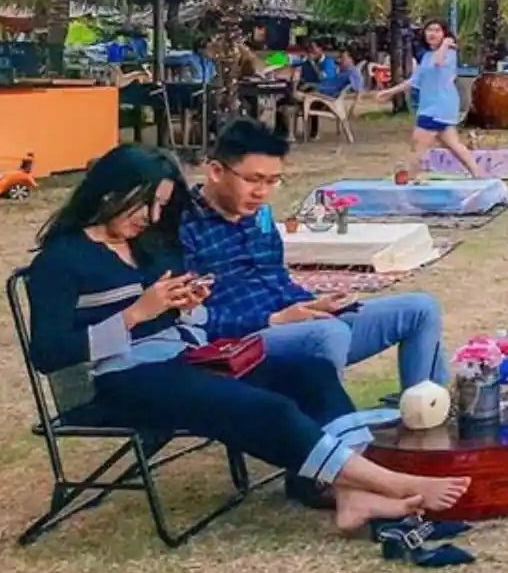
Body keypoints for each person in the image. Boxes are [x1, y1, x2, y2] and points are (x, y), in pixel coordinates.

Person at [23, 144, 468, 532]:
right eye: (145, 205)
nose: (152, 217)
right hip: (116, 380)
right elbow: (48, 354)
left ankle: (351, 496)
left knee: (308, 372)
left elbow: (183, 319)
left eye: (160, 206)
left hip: (184, 359)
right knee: (262, 407)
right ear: (109, 192)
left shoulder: (149, 246)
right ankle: (390, 483)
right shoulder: (62, 261)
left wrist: (189, 305)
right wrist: (135, 315)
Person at [182, 119, 449, 393]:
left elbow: (277, 280)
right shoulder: (182, 228)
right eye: (253, 180)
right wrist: (272, 320)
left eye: (273, 181)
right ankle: (330, 429)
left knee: (421, 308)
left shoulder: (258, 216)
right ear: (215, 171)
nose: (262, 192)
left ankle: (425, 413)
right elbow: (190, 318)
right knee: (329, 334)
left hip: (295, 327)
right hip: (241, 343)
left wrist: (314, 304)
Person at [368, 19, 484, 179]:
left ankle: (408, 178)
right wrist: (389, 92)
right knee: (453, 145)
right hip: (432, 107)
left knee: (418, 145)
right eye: (429, 30)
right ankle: (478, 174)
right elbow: (415, 81)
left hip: (438, 107)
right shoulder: (426, 56)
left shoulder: (449, 53)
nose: (432, 33)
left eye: (437, 30)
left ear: (444, 34)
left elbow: (438, 62)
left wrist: (445, 44)